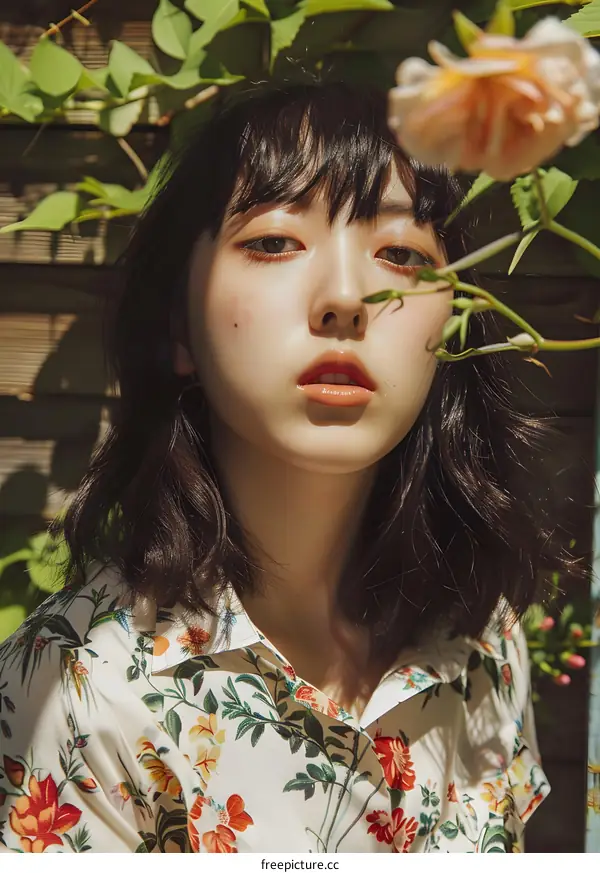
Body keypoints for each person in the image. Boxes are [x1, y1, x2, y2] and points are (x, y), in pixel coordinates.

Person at [0, 80, 579, 853]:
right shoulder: (80, 688)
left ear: (457, 328)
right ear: (180, 323)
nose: (345, 297)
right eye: (273, 241)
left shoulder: (481, 643)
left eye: (401, 254)